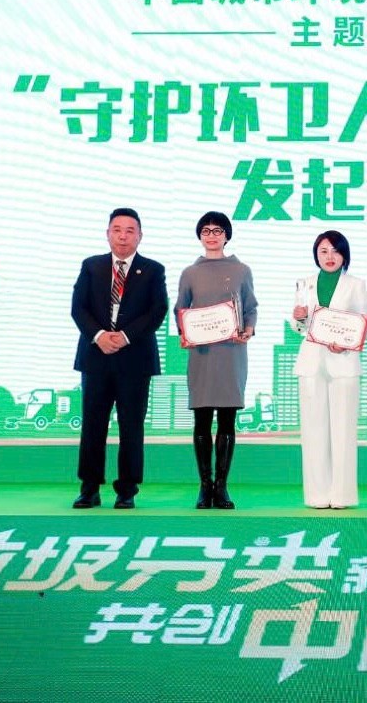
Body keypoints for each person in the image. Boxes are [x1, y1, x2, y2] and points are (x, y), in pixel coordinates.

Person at [71, 208, 168, 509]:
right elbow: (78, 307)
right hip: (96, 356)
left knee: (131, 425)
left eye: (130, 230)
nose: (123, 236)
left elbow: (158, 310)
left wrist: (124, 336)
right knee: (93, 424)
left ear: (140, 236)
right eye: (117, 229)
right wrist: (99, 335)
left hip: (134, 359)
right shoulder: (91, 266)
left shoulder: (153, 270)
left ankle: (127, 489)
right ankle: (89, 488)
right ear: (108, 233)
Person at [174, 212, 257, 509]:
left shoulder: (241, 270)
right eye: (206, 231)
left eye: (218, 230)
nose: (212, 235)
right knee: (201, 419)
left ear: (227, 236)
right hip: (202, 354)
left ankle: (221, 487)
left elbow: (250, 307)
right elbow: (180, 310)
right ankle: (204, 486)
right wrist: (185, 331)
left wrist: (249, 329)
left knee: (227, 420)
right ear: (200, 236)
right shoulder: (189, 273)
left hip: (231, 353)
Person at [291, 230, 367, 509]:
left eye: (335, 251)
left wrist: (346, 343)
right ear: (316, 254)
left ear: (344, 255)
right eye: (323, 251)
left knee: (343, 430)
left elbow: (366, 322)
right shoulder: (305, 284)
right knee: (313, 431)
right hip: (311, 362)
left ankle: (342, 495)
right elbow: (299, 327)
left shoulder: (355, 285)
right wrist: (298, 318)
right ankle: (316, 494)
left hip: (344, 363)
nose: (329, 256)